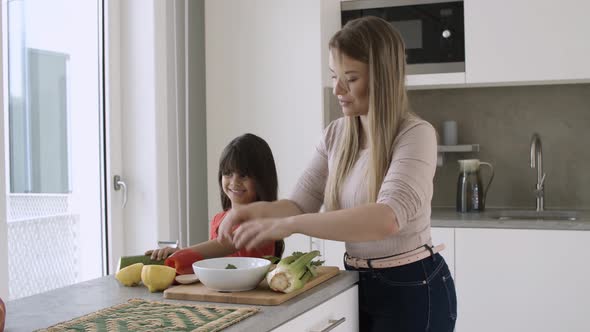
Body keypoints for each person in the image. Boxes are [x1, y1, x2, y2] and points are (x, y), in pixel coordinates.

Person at [217, 16, 457, 331]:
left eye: (351, 78)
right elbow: (299, 203)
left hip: (413, 287)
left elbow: (386, 219)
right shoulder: (336, 135)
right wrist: (252, 213)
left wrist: (287, 225)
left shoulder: (415, 134)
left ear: (382, 77)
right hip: (355, 282)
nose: (338, 89)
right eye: (334, 76)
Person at [146, 133, 283, 267]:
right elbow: (213, 260)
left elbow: (228, 244)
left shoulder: (263, 222)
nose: (234, 182)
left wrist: (183, 253)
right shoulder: (219, 219)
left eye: (243, 175)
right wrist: (180, 256)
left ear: (262, 179)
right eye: (228, 173)